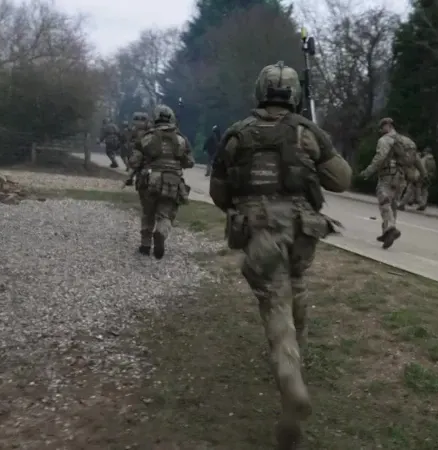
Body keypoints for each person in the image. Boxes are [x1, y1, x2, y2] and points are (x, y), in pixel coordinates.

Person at [209, 61, 351, 449]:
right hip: (302, 230)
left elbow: (219, 192)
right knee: (297, 285)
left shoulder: (237, 133)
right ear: (295, 95)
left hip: (259, 229)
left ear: (260, 91)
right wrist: (317, 147)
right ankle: (295, 354)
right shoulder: (307, 132)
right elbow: (342, 179)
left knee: (275, 300)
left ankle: (290, 377)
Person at [128, 105, 194, 259]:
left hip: (148, 180)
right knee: (165, 214)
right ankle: (160, 233)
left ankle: (145, 245)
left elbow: (134, 162)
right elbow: (190, 162)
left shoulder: (146, 137)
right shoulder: (181, 139)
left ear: (155, 118)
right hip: (172, 182)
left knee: (148, 213)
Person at [359, 118, 426, 249]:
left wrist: (367, 172)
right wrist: (423, 174)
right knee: (393, 205)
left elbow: (380, 157)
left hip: (388, 176)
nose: (380, 131)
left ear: (388, 126)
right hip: (402, 178)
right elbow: (416, 159)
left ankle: (390, 228)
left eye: (381, 127)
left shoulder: (385, 140)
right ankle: (387, 234)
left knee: (384, 202)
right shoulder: (407, 141)